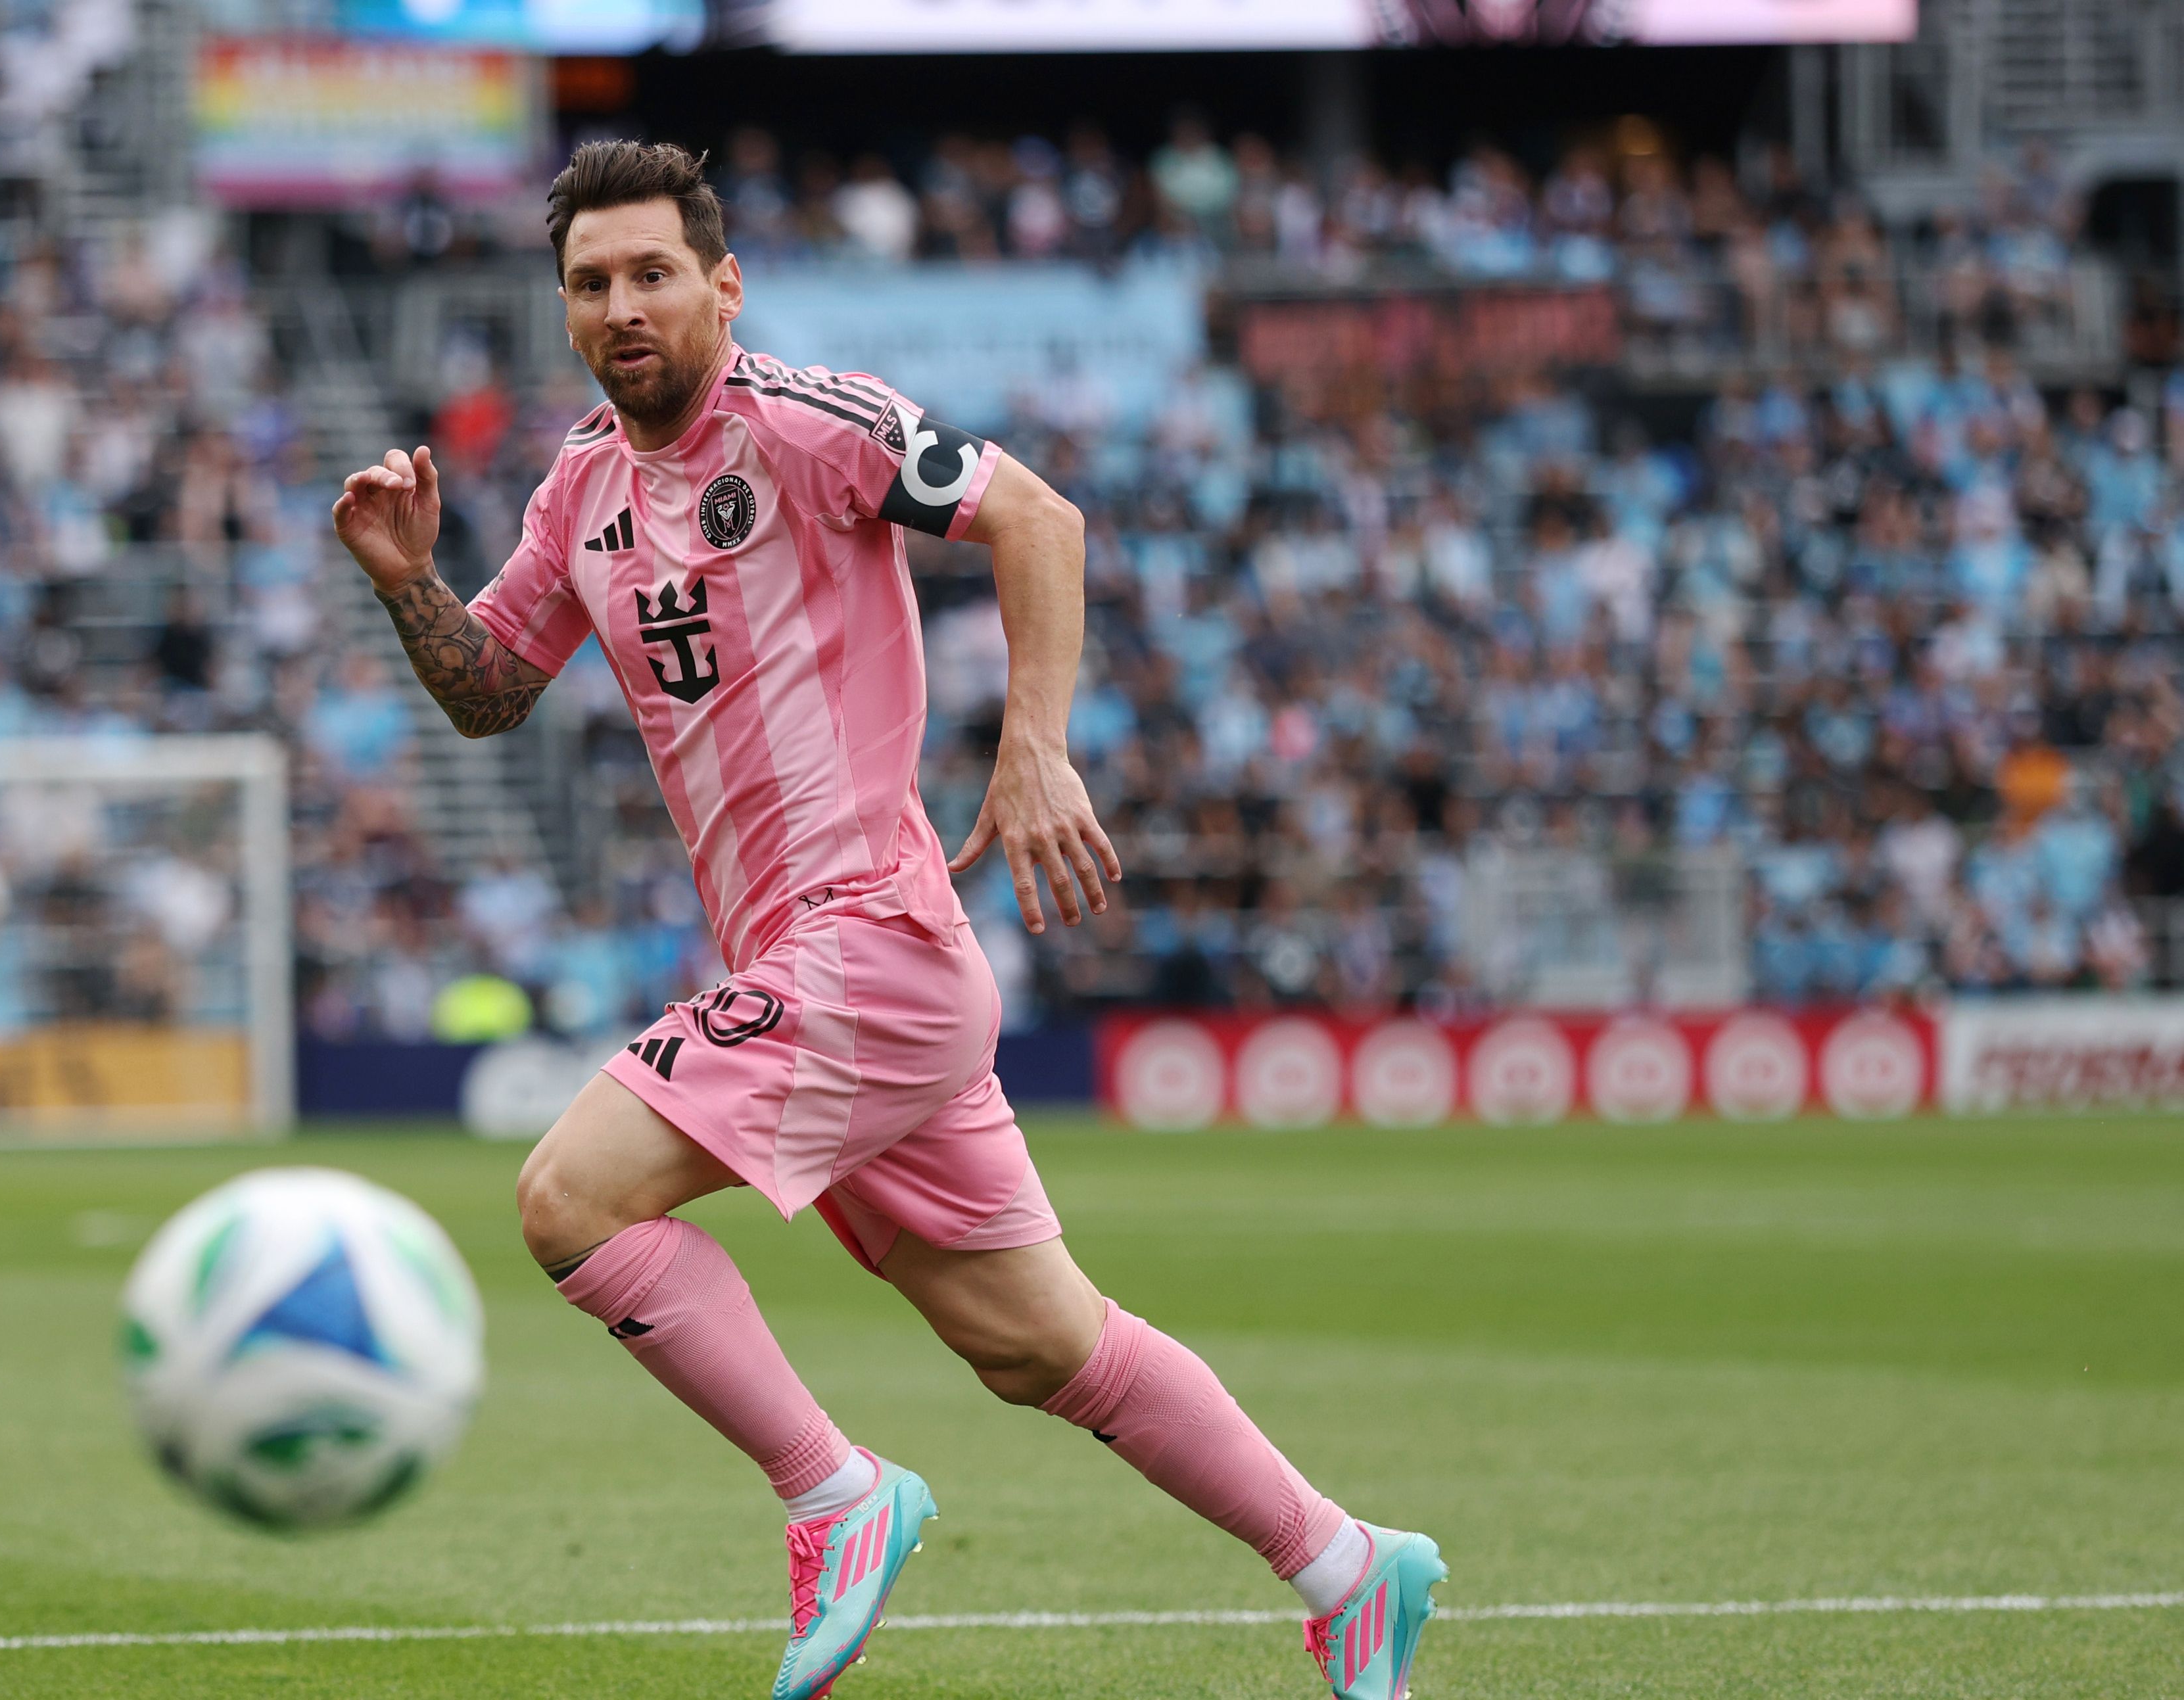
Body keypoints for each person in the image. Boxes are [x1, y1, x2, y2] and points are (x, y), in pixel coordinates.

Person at [330, 140, 1445, 1700]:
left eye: (653, 273)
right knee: (1042, 1349)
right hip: (822, 974)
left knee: (568, 1202)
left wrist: (1036, 742)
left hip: (871, 941)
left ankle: (835, 1496)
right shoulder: (579, 488)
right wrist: (402, 585)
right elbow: (490, 694)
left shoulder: (804, 421)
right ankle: (1344, 1564)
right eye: (591, 283)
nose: (621, 305)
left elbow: (1036, 519)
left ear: (722, 287)